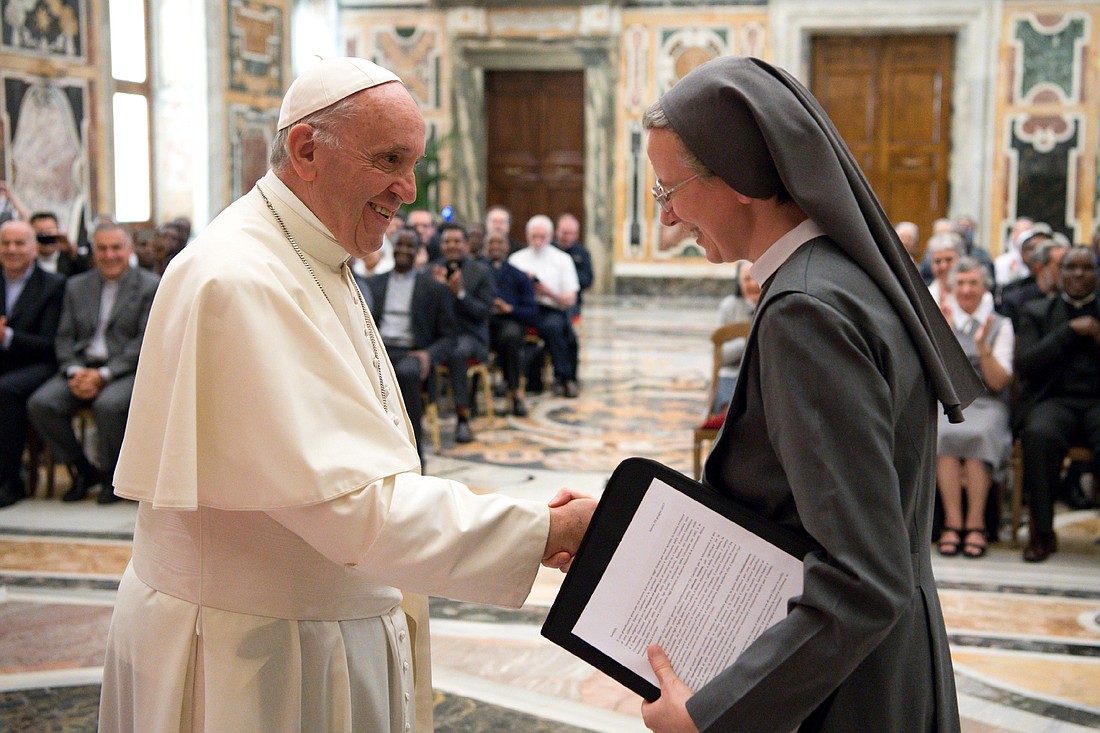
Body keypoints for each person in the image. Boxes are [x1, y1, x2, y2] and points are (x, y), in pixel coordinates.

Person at [98, 57, 594, 733]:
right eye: (390, 158)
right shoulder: (239, 278)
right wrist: (548, 530)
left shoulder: (307, 249)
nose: (409, 189)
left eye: (414, 162)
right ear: (307, 149)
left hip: (305, 629)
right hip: (253, 654)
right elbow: (353, 505)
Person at [639, 55, 981, 733]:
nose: (670, 217)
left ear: (736, 178)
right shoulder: (837, 278)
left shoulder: (806, 309)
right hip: (873, 668)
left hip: (845, 696)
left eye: (667, 190)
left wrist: (710, 715)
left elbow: (863, 576)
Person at [27, 219, 158, 504]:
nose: (109, 255)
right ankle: (83, 470)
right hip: (82, 367)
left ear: (129, 248)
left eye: (116, 248)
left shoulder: (150, 286)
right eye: (102, 249)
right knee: (42, 403)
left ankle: (113, 477)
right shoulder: (76, 286)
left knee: (108, 406)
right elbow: (63, 337)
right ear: (93, 252)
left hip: (124, 371)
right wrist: (75, 371)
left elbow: (144, 342)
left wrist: (105, 375)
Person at [1014, 246, 1100, 562]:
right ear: (1058, 273)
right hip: (1053, 401)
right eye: (1071, 268)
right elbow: (1026, 364)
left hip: (1096, 402)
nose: (1078, 274)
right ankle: (1043, 533)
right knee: (1039, 434)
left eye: (1087, 268)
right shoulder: (1038, 312)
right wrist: (1066, 332)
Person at [935, 258, 1014, 558]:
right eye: (961, 284)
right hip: (952, 402)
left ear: (985, 288)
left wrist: (983, 348)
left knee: (979, 435)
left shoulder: (1001, 325)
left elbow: (998, 382)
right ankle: (952, 524)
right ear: (953, 288)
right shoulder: (942, 318)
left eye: (973, 283)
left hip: (988, 402)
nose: (966, 289)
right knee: (943, 435)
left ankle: (976, 523)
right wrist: (941, 333)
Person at [365, 229, 456, 456]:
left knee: (405, 374)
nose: (403, 250)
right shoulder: (374, 283)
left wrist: (428, 355)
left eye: (409, 246)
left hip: (412, 352)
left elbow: (449, 337)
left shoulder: (434, 288)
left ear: (417, 252)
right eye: (400, 245)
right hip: (378, 349)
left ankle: (412, 451)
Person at [0, 220, 65, 506]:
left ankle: (10, 481)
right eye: (5, 243)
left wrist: (8, 336)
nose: (12, 249)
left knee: (5, 391)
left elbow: (49, 344)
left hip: (36, 365)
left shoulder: (52, 286)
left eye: (19, 243)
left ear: (33, 248)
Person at [431, 222, 494, 443]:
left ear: (466, 244)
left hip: (471, 335)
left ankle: (463, 418)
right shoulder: (433, 269)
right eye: (447, 241)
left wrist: (460, 294)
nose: (452, 246)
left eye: (457, 241)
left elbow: (484, 312)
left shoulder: (481, 271)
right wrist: (438, 291)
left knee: (457, 353)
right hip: (441, 335)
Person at [509, 214, 581, 398]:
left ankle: (564, 377)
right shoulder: (516, 260)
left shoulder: (562, 259)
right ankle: (514, 380)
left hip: (550, 307)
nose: (538, 241)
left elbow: (570, 298)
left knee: (555, 328)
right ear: (527, 236)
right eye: (534, 236)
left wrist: (548, 292)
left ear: (550, 237)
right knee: (508, 332)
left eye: (542, 237)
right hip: (522, 310)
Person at [485, 230, 537, 416]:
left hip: (509, 322)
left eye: (500, 243)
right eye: (491, 242)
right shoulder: (477, 270)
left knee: (512, 338)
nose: (495, 247)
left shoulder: (518, 276)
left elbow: (532, 310)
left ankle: (515, 391)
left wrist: (510, 309)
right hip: (481, 322)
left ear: (507, 247)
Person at [711, 260, 759, 414]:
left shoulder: (774, 302)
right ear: (739, 283)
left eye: (756, 277)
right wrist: (748, 340)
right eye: (746, 279)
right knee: (730, 409)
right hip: (732, 374)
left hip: (763, 375)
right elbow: (720, 356)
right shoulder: (729, 306)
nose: (753, 284)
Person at [30, 211, 88, 277]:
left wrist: (72, 252)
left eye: (49, 232)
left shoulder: (70, 259)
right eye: (40, 234)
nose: (46, 238)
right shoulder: (27, 262)